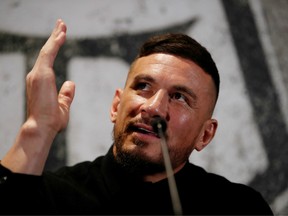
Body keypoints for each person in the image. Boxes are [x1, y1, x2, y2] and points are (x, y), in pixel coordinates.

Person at [0, 19, 273, 215]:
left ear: (205, 134)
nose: (153, 108)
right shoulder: (53, 196)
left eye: (179, 97)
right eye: (143, 86)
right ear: (116, 105)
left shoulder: (240, 207)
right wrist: (37, 129)